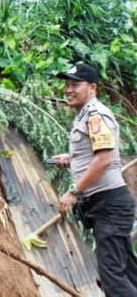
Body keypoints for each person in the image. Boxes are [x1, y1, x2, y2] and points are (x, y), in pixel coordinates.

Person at [50, 63, 137, 296]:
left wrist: (72, 191)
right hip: (107, 206)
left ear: (92, 88)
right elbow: (96, 152)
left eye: (75, 85)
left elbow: (104, 160)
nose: (69, 89)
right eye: (67, 85)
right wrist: (74, 157)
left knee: (112, 277)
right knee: (127, 272)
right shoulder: (86, 115)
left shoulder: (96, 116)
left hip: (110, 206)